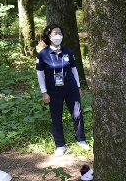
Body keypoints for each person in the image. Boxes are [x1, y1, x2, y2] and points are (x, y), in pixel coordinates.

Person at [37, 24, 88, 155]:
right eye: (56, 33)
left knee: (77, 115)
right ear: (49, 36)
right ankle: (60, 145)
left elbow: (74, 70)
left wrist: (78, 87)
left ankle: (81, 140)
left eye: (60, 33)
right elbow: (40, 75)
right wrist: (44, 92)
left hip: (71, 88)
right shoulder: (43, 54)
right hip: (54, 91)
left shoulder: (68, 52)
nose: (58, 35)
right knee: (56, 118)